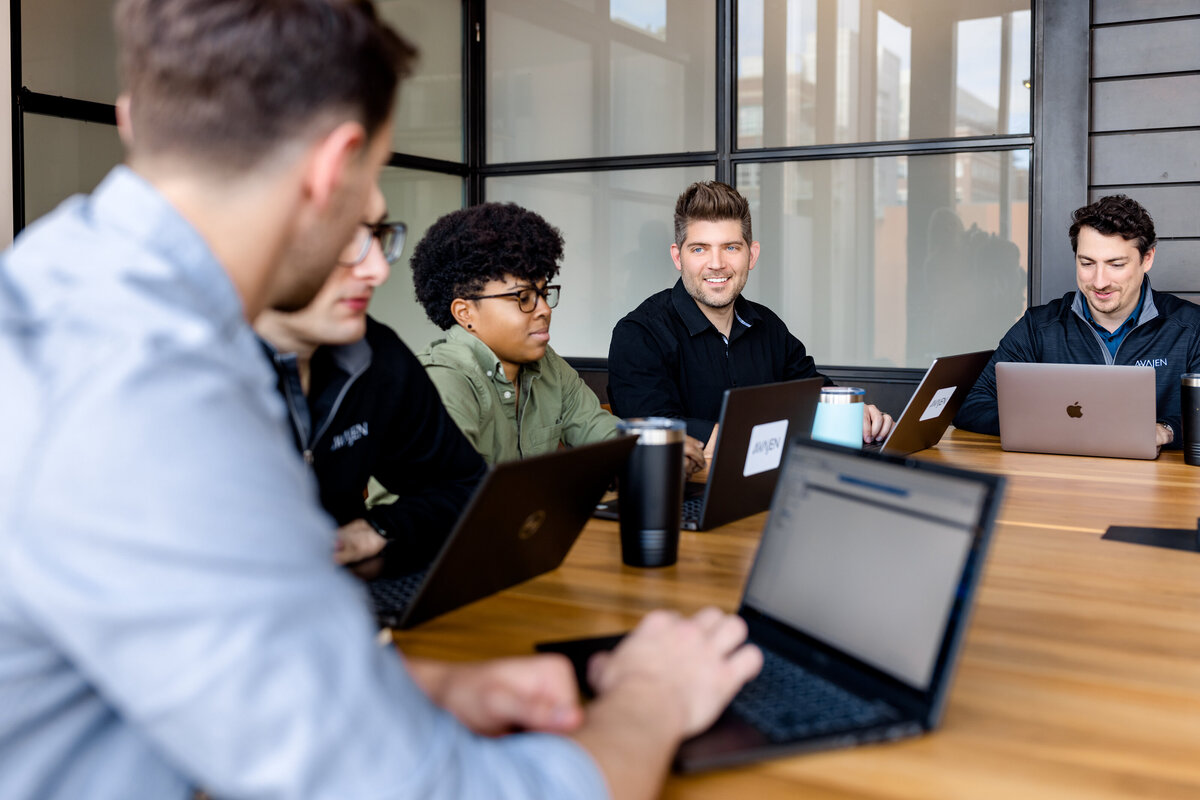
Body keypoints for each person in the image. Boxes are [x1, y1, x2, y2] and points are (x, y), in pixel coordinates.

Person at [0, 2, 760, 800]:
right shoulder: (152, 394)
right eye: (373, 185)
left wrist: (410, 691)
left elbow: (188, 674)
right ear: (336, 168)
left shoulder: (62, 298)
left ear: (134, 121)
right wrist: (651, 698)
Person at [255, 184, 486, 572]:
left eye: (377, 236)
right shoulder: (175, 377)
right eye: (345, 237)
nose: (378, 270)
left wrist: (379, 528)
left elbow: (462, 486)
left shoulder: (377, 355)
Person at [413, 201, 706, 472]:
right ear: (465, 313)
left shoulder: (549, 367)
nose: (544, 310)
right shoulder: (442, 382)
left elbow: (599, 433)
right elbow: (443, 505)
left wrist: (652, 449)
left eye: (543, 293)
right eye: (523, 297)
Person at [608, 180, 894, 451]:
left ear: (752, 255)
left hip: (770, 488)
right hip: (682, 497)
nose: (717, 264)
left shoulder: (767, 326)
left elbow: (812, 391)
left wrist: (854, 415)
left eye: (731, 247)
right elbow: (653, 430)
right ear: (677, 256)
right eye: (699, 249)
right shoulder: (639, 334)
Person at [954, 194, 1200, 447]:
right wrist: (1049, 425)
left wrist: (1167, 430)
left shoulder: (1191, 328)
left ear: (1146, 259)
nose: (1099, 281)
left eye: (1115, 264)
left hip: (1158, 482)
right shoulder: (1038, 327)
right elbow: (970, 402)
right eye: (1087, 263)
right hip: (1061, 479)